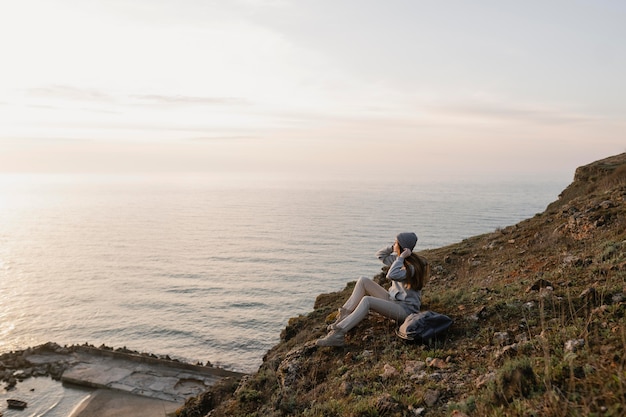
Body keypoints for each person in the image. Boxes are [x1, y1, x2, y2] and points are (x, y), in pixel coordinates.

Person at [316, 232, 429, 347]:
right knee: (363, 280)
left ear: (402, 247)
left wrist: (400, 257)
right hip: (393, 300)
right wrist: (393, 249)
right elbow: (380, 255)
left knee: (367, 300)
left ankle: (338, 334)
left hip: (405, 310)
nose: (393, 244)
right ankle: (345, 315)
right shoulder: (401, 259)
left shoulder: (411, 267)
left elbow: (391, 275)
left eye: (395, 242)